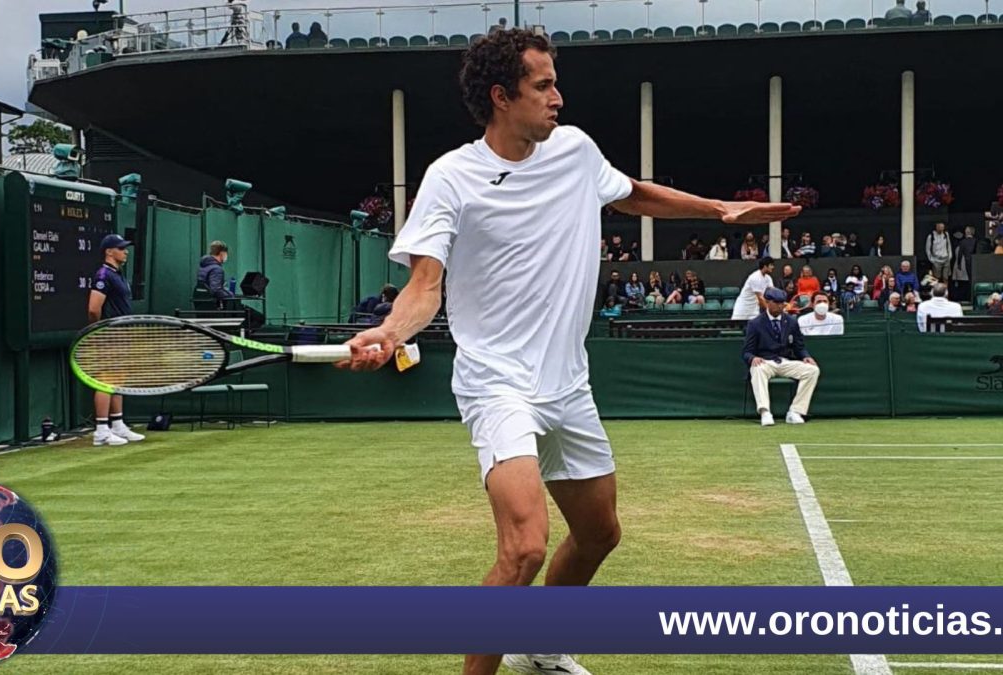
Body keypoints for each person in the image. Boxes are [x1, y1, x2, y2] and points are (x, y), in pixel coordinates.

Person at [337, 28, 800, 675]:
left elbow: (632, 191)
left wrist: (718, 207)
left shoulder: (576, 151)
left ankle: (545, 640)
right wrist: (390, 332)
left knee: (600, 533)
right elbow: (424, 284)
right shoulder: (452, 179)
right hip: (497, 384)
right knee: (525, 548)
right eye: (543, 85)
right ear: (502, 96)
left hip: (567, 385)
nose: (559, 97)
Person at [87, 234, 146, 447]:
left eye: (125, 248)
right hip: (109, 334)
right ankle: (101, 430)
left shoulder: (118, 274)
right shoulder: (103, 274)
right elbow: (94, 308)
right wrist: (102, 329)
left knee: (118, 379)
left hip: (122, 334)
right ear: (109, 252)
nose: (126, 251)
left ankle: (118, 424)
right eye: (121, 248)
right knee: (105, 380)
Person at [743, 288, 820, 427]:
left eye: (782, 303)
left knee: (812, 370)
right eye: (776, 302)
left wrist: (806, 357)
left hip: (785, 362)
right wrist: (752, 358)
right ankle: (765, 412)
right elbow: (747, 352)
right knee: (757, 369)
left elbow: (799, 347)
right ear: (767, 303)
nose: (780, 305)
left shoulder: (791, 322)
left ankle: (795, 411)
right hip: (765, 362)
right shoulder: (755, 324)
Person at [731, 256, 775, 321]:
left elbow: (773, 294)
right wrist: (771, 312)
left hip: (754, 310)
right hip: (742, 309)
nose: (773, 267)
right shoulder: (755, 277)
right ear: (765, 266)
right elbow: (760, 298)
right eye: (771, 265)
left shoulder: (768, 278)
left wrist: (784, 304)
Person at [196, 240, 235, 308]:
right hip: (212, 305)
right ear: (222, 253)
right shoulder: (216, 269)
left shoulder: (204, 265)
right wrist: (230, 295)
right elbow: (216, 290)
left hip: (201, 303)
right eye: (226, 253)